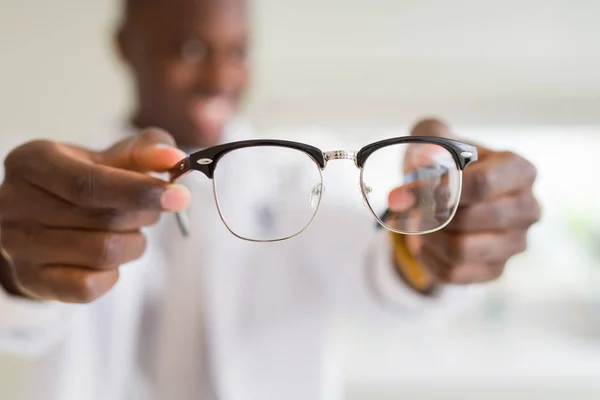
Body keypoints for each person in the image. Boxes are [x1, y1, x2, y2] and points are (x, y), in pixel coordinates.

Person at [0, 0, 540, 399]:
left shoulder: (295, 178)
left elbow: (370, 258)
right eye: (190, 48)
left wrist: (426, 243)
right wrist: (16, 271)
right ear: (126, 45)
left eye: (237, 52)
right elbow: (20, 316)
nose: (220, 78)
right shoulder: (50, 184)